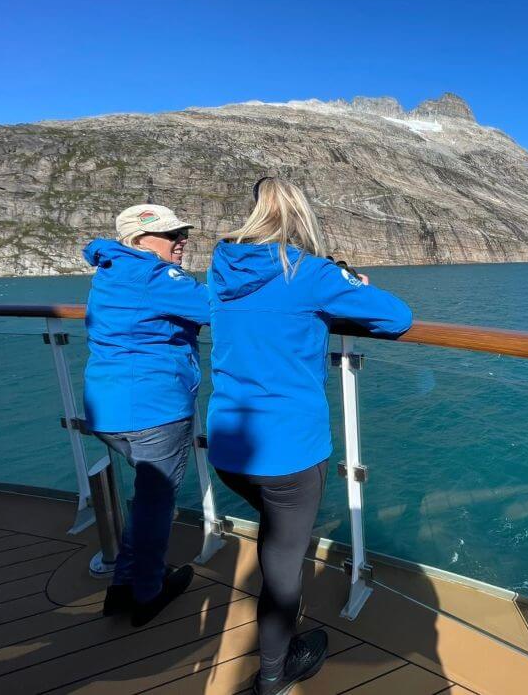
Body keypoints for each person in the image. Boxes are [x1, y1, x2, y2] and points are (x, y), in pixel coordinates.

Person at [207, 177, 412, 695]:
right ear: (303, 217)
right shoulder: (311, 273)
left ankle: (277, 654)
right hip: (288, 451)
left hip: (228, 446)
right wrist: (350, 284)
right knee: (281, 565)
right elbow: (397, 318)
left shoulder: (220, 269)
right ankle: (275, 674)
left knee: (275, 538)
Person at [82, 204, 209, 627]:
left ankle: (123, 586)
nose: (181, 240)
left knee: (146, 500)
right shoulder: (154, 275)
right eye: (171, 235)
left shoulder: (112, 270)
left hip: (108, 409)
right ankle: (148, 593)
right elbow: (216, 308)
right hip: (153, 410)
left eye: (182, 233)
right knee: (156, 506)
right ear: (138, 241)